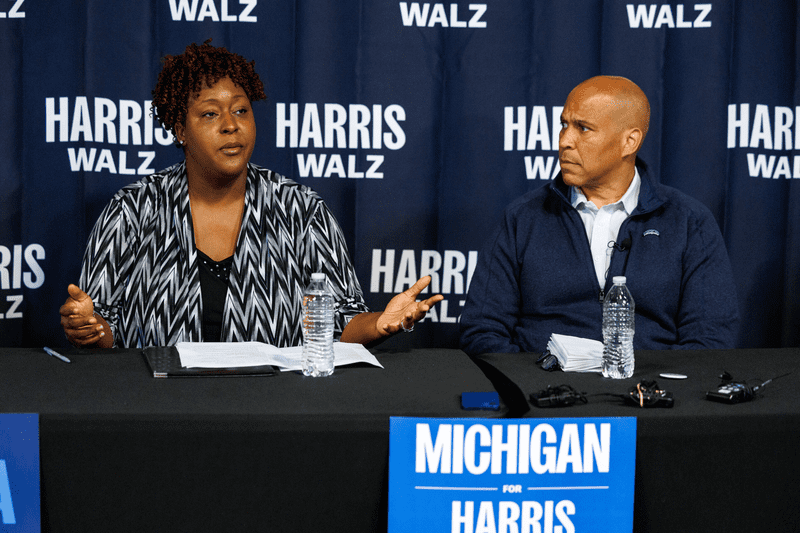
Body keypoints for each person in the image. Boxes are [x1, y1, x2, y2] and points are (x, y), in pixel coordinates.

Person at [60, 41, 442, 349]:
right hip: (160, 411)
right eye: (210, 114)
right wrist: (89, 328)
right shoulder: (133, 208)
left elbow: (339, 324)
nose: (231, 126)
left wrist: (380, 323)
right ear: (180, 129)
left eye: (241, 111)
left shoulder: (301, 209)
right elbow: (104, 327)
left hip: (274, 413)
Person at [459, 75, 739, 356]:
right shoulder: (523, 217)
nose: (565, 141)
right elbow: (482, 330)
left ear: (629, 142)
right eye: (564, 125)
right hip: (543, 392)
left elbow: (709, 339)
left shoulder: (688, 221)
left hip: (645, 392)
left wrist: (651, 392)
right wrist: (535, 386)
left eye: (583, 128)